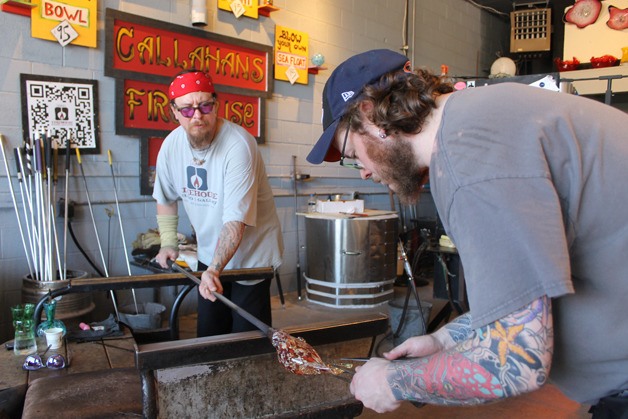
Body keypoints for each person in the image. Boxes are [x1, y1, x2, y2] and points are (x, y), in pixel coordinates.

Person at [307, 49, 628, 417]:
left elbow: (514, 362)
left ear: (369, 114)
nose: (363, 170)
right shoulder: (480, 119)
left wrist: (392, 382)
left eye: (352, 153)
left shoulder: (467, 159)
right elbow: (527, 296)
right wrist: (444, 338)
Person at [154, 70, 283, 337]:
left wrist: (214, 270)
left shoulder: (238, 145)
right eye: (187, 109)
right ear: (174, 112)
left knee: (246, 338)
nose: (197, 115)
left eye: (205, 106)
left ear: (216, 105)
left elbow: (235, 221)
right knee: (210, 334)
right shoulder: (170, 147)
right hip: (210, 252)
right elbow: (165, 199)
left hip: (252, 256)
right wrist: (168, 243)